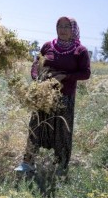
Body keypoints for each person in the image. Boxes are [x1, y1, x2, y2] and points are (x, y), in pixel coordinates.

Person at [15, 16, 91, 175]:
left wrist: (65, 76)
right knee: (36, 126)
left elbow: (85, 73)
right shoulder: (48, 46)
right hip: (43, 94)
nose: (62, 30)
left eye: (66, 26)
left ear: (73, 29)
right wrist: (38, 79)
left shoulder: (80, 51)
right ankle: (28, 162)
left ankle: (60, 167)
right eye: (60, 26)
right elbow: (37, 64)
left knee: (62, 131)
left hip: (65, 97)